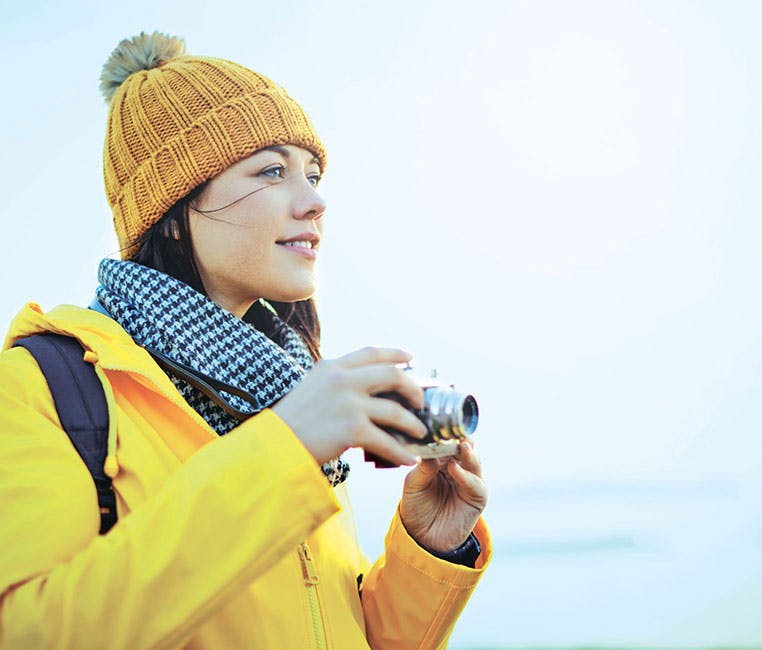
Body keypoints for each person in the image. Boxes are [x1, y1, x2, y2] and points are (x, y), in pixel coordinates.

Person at [0, 31, 490, 649]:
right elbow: (28, 635)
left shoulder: (287, 384)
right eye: (271, 171)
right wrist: (286, 446)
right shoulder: (39, 387)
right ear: (175, 210)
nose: (314, 201)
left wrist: (429, 548)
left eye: (312, 174)